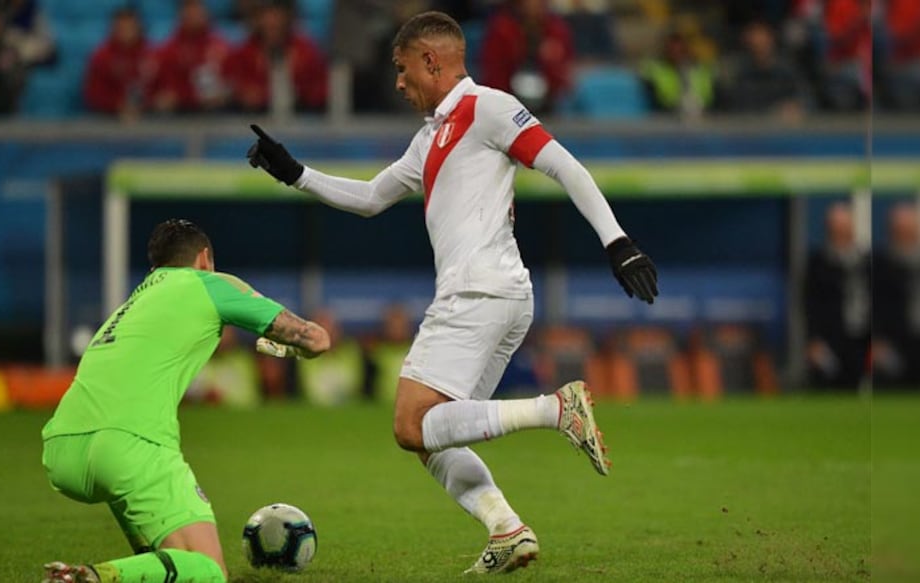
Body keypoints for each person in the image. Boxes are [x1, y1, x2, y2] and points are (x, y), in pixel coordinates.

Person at [246, 11, 657, 574]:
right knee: (432, 439)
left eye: (402, 67)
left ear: (431, 61)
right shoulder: (430, 137)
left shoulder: (487, 106)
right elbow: (370, 197)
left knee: (409, 426)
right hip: (501, 295)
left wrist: (619, 242)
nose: (397, 81)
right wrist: (296, 173)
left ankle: (554, 408)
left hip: (476, 293)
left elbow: (565, 165)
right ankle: (507, 529)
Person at [41, 219, 331, 583]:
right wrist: (296, 350)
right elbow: (316, 339)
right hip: (129, 445)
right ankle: (88, 578)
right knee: (208, 571)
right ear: (205, 258)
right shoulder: (209, 283)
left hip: (63, 449)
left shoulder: (134, 302)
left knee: (166, 563)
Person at [803, 202, 869, 390]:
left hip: (859, 339)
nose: (841, 232)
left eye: (844, 227)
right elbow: (809, 305)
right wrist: (813, 340)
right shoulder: (817, 263)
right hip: (828, 341)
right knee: (826, 390)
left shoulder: (866, 262)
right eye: (836, 227)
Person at [872, 202, 920, 389]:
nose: (905, 234)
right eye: (900, 230)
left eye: (909, 229)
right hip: (892, 346)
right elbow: (873, 305)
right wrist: (876, 341)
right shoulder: (880, 265)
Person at [149, 0, 231, 114]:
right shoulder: (168, 50)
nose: (193, 16)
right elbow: (161, 85)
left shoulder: (220, 46)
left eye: (197, 11)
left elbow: (232, 80)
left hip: (216, 110)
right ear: (181, 15)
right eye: (189, 11)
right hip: (178, 111)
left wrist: (225, 93)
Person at [83, 7, 151, 119]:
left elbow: (161, 88)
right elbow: (93, 94)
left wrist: (155, 101)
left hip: (149, 114)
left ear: (139, 27)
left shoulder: (152, 54)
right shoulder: (101, 57)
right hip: (110, 116)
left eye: (130, 27)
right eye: (121, 28)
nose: (126, 31)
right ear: (113, 29)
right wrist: (117, 105)